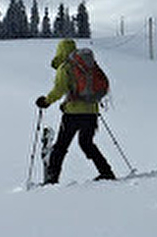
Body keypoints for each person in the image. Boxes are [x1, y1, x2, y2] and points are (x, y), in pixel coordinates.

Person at [35, 38, 116, 184]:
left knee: (60, 146)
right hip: (91, 112)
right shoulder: (89, 65)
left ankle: (51, 180)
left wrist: (46, 101)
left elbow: (59, 90)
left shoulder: (66, 67)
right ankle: (106, 172)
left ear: (60, 50)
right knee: (87, 143)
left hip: (72, 114)